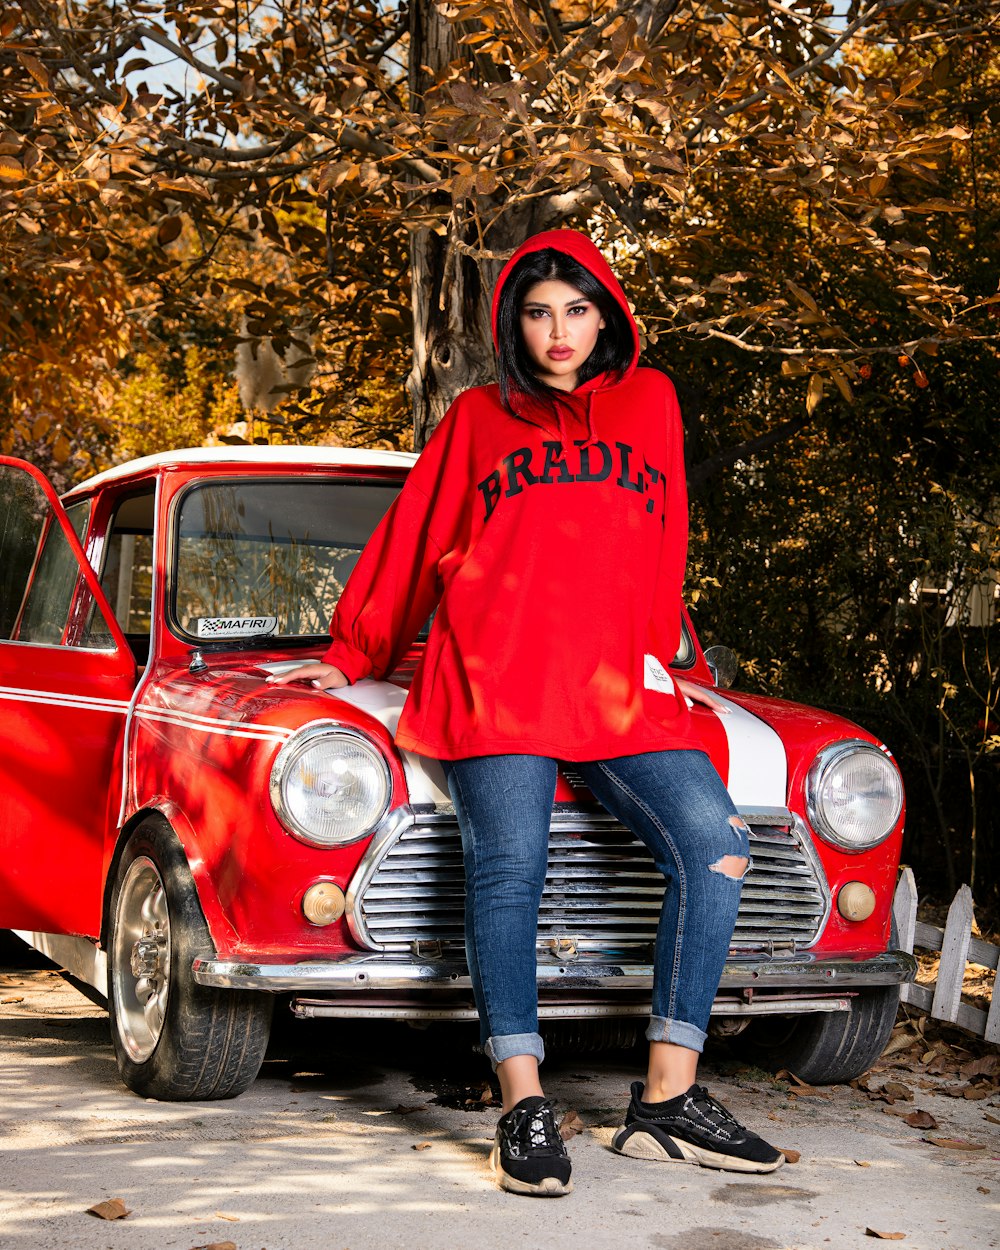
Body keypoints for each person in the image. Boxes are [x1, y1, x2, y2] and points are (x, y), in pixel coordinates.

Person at [269, 230, 784, 1196]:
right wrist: (351, 657)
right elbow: (414, 538)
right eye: (540, 312)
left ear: (607, 318)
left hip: (613, 686)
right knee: (510, 866)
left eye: (578, 311)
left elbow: (665, 531)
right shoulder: (476, 419)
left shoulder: (653, 402)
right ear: (516, 321)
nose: (560, 332)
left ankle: (667, 1102)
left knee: (716, 843)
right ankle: (523, 1102)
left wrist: (654, 642)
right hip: (495, 679)